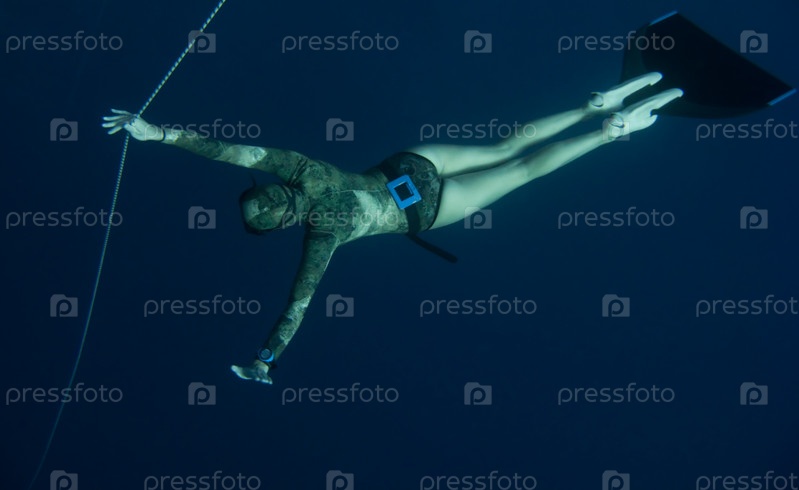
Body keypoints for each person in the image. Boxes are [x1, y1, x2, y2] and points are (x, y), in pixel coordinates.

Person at [103, 72, 682, 385]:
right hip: (410, 167)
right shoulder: (299, 173)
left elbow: (297, 303)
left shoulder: (321, 231)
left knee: (521, 170)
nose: (267, 196)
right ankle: (595, 106)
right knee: (506, 148)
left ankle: (607, 129)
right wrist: (158, 135)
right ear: (274, 199)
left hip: (425, 208)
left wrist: (267, 359)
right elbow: (231, 153)